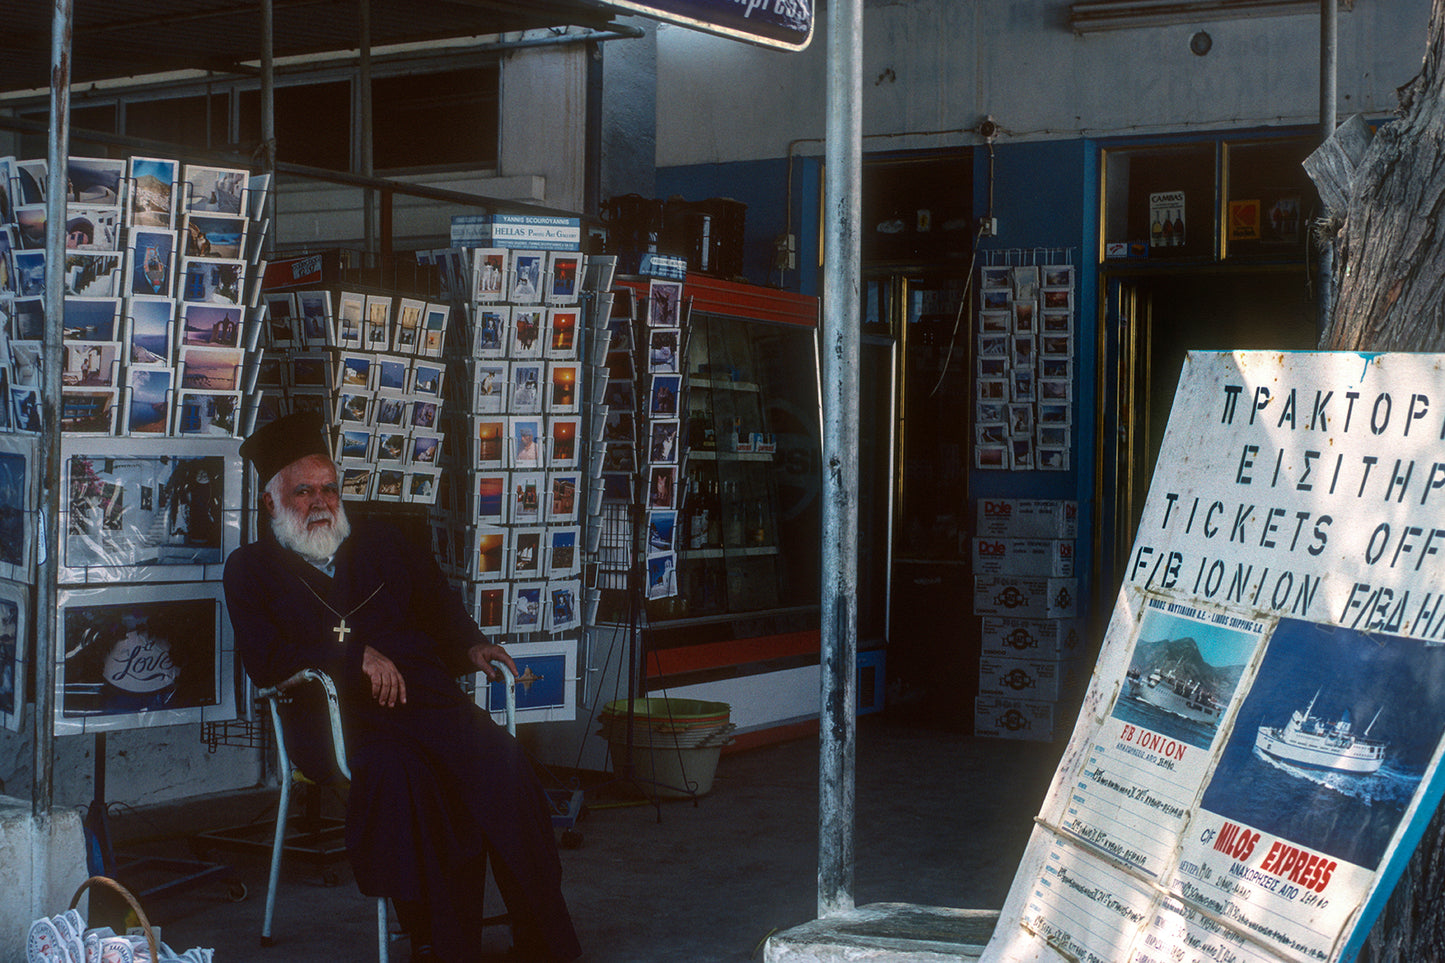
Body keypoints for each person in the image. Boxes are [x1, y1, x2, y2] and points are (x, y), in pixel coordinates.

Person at [224, 411, 580, 963]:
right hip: (335, 720)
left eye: (328, 488)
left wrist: (471, 644)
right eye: (303, 491)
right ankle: (439, 944)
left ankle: (541, 937)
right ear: (271, 502)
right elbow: (264, 661)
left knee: (503, 765)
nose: (321, 502)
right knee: (411, 782)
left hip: (424, 700)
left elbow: (438, 605)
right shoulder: (249, 569)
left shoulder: (385, 542)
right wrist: (352, 656)